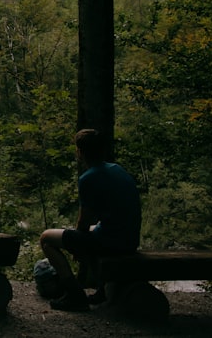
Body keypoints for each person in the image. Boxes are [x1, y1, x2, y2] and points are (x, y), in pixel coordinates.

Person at [39, 128, 142, 312]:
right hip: (130, 239)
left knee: (46, 238)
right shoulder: (117, 169)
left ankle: (75, 295)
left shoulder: (88, 178)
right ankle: (102, 289)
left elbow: (83, 223)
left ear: (80, 152)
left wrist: (76, 247)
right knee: (91, 231)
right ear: (102, 150)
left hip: (113, 242)